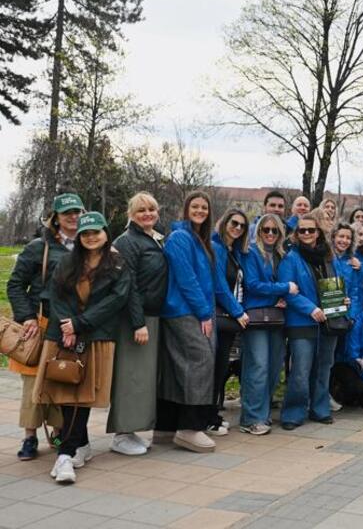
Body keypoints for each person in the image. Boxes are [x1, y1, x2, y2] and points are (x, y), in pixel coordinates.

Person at [33, 212, 131, 484]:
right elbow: (56, 294)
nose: (90, 237)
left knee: (83, 395)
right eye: (85, 233)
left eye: (96, 232)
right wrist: (67, 325)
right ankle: (70, 451)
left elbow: (117, 299)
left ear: (105, 234)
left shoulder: (117, 264)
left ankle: (67, 451)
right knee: (66, 391)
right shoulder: (67, 262)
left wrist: (79, 324)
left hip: (95, 335)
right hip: (63, 336)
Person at [6, 193, 82, 461]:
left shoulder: (88, 246)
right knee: (33, 384)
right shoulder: (40, 247)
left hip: (71, 326)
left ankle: (59, 433)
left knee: (62, 379)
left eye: (77, 212)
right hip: (40, 323)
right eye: (66, 213)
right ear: (56, 218)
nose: (73, 217)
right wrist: (26, 316)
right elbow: (15, 285)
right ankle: (30, 436)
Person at [157, 191, 224, 453]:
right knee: (201, 362)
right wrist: (203, 313)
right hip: (184, 310)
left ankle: (166, 426)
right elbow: (186, 279)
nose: (199, 211)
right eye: (194, 206)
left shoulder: (201, 240)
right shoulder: (180, 238)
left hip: (195, 310)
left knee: (180, 366)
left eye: (204, 207)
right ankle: (189, 428)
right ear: (185, 209)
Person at [107, 192, 168, 455]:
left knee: (143, 378)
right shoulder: (127, 241)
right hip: (135, 319)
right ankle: (121, 434)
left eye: (151, 209)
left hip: (153, 316)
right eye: (141, 210)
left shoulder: (154, 238)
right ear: (131, 214)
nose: (147, 214)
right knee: (130, 376)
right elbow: (127, 285)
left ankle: (131, 431)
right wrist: (137, 322)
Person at [277, 211, 339, 429]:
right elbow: (289, 291)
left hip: (328, 321)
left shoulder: (328, 257)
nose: (306, 233)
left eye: (310, 230)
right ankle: (293, 412)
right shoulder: (291, 258)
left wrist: (343, 299)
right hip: (301, 321)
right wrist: (310, 308)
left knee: (323, 368)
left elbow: (338, 284)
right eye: (302, 230)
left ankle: (320, 408)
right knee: (301, 371)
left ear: (318, 232)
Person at [239, 213, 297, 435]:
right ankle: (250, 418)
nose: (270, 234)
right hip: (255, 316)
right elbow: (253, 284)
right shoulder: (252, 252)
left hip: (277, 317)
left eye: (275, 230)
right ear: (259, 231)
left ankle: (262, 414)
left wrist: (282, 294)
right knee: (258, 366)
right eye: (266, 230)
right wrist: (281, 291)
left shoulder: (283, 255)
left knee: (273, 367)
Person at [210, 209, 251, 435]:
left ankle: (213, 413)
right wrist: (238, 312)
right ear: (224, 222)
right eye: (234, 223)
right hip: (220, 317)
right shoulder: (216, 248)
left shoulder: (232, 251)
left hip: (228, 319)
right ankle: (209, 416)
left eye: (242, 226)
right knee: (215, 367)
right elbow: (219, 286)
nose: (237, 228)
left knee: (221, 367)